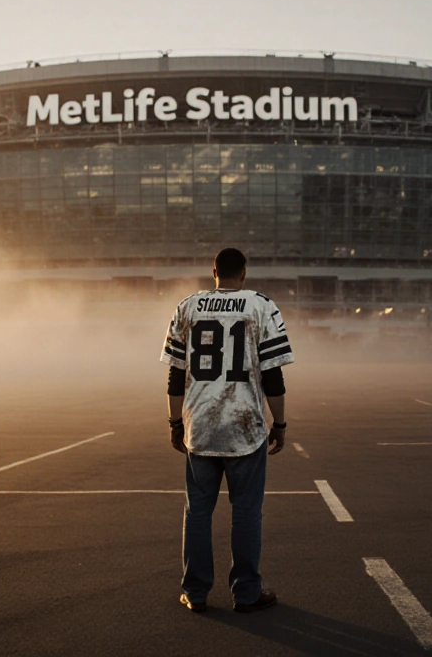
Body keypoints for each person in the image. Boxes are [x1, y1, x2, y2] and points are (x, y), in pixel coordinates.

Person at [160, 248, 294, 614]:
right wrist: (279, 424)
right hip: (244, 424)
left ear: (213, 271)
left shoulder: (187, 306)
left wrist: (175, 423)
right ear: (245, 273)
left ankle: (196, 591)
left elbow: (175, 375)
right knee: (247, 512)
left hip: (200, 425)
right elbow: (273, 375)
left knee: (198, 512)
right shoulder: (261, 306)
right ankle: (247, 593)